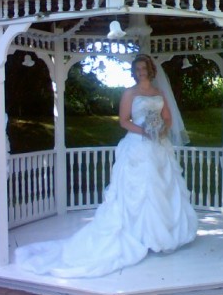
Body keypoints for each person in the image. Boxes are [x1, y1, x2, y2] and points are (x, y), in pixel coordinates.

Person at [15, 54, 198, 278]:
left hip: (159, 147)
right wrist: (145, 132)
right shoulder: (130, 93)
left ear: (151, 70)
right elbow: (124, 121)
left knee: (163, 189)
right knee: (142, 189)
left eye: (144, 68)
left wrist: (161, 130)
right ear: (135, 71)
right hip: (138, 147)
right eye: (138, 68)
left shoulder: (159, 94)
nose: (141, 71)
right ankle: (139, 235)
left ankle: (161, 235)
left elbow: (167, 118)